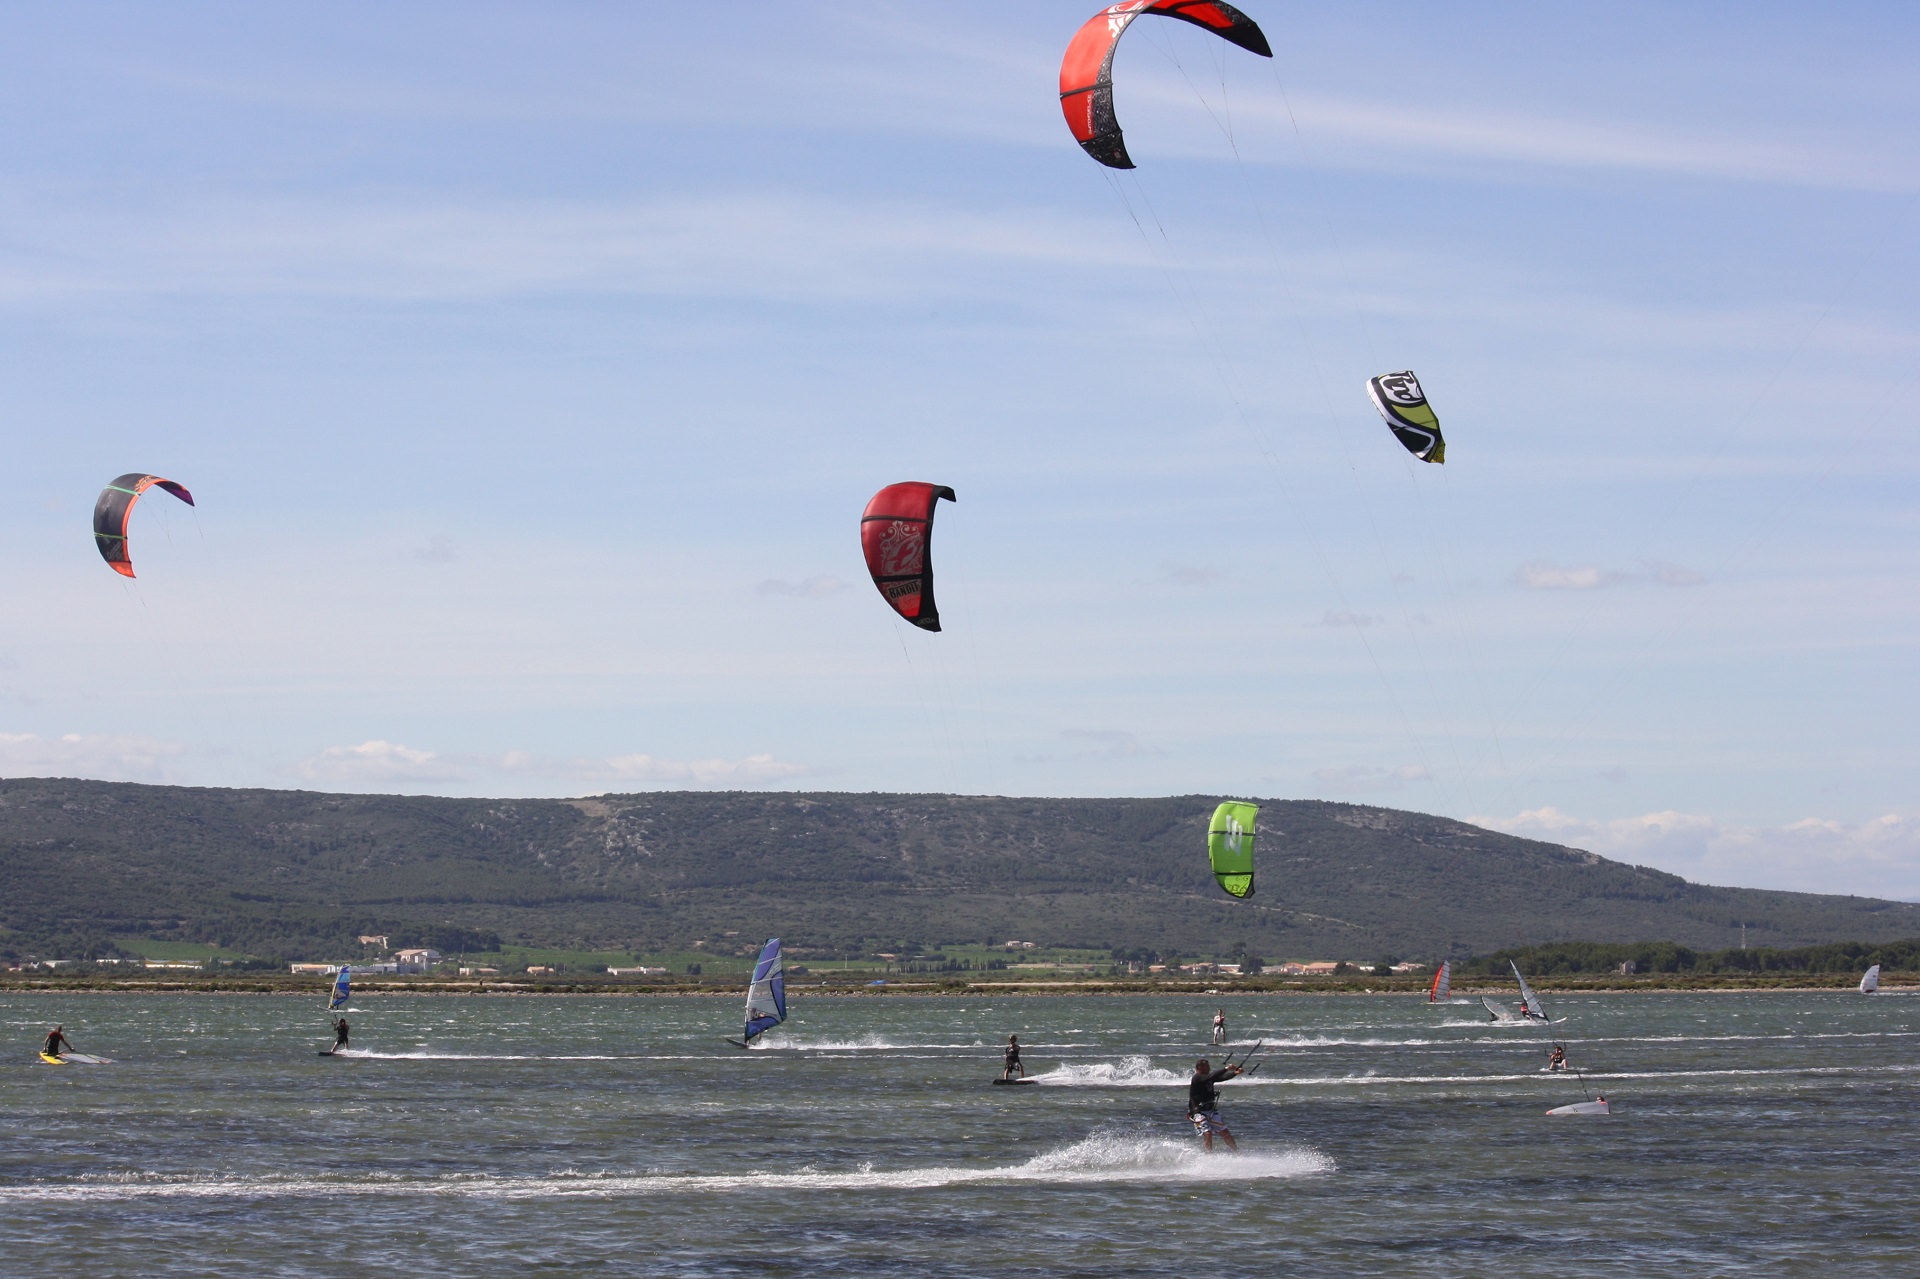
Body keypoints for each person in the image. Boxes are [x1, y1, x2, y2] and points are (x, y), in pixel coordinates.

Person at [1187, 1057, 1243, 1152]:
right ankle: (1208, 1155)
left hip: (1211, 1111)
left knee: (1225, 1132)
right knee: (1208, 1133)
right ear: (1200, 1067)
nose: (1209, 1068)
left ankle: (1237, 1152)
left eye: (1209, 1066)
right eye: (1207, 1066)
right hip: (1198, 1113)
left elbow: (1221, 1078)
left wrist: (1235, 1073)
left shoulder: (1208, 1078)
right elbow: (1212, 1076)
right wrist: (1226, 1068)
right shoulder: (1197, 1077)